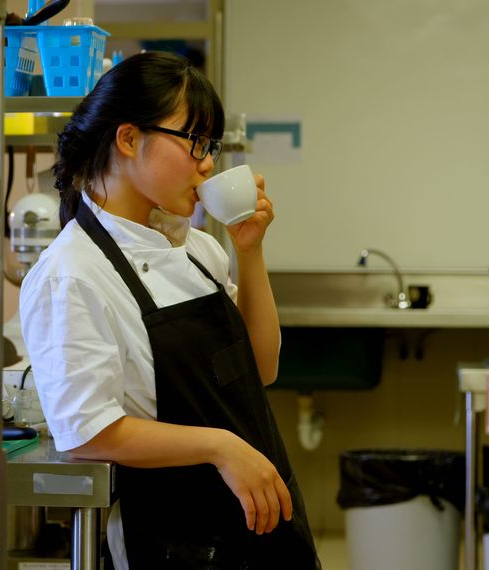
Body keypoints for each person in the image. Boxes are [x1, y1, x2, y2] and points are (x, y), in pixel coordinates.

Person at [19, 51, 320, 569]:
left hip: (262, 532)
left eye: (212, 146)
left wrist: (250, 252)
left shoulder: (199, 249)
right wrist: (221, 447)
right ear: (129, 139)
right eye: (195, 142)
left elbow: (262, 367)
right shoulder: (71, 273)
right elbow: (87, 430)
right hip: (176, 543)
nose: (208, 163)